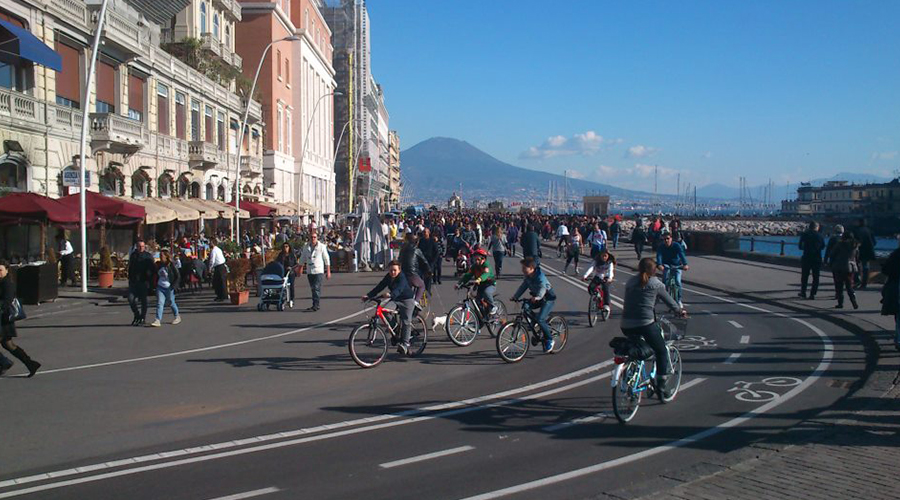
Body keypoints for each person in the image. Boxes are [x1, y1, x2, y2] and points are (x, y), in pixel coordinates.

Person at [621, 258, 686, 397]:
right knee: (661, 350)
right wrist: (680, 311)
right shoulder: (656, 284)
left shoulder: (630, 281)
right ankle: (661, 387)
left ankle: (632, 372)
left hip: (625, 324)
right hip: (644, 324)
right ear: (654, 270)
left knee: (639, 347)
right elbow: (671, 303)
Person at [362, 260, 416, 355]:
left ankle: (405, 344)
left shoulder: (402, 277)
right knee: (384, 310)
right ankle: (396, 329)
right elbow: (380, 286)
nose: (392, 272)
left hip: (406, 300)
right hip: (395, 299)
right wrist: (369, 295)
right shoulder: (388, 277)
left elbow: (400, 288)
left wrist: (391, 294)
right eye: (391, 270)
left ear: (399, 270)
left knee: (406, 321)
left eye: (395, 270)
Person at [0, 260, 40, 377]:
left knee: (8, 344)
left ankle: (4, 362)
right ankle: (30, 363)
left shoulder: (7, 284)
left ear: (7, 270)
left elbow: (6, 301)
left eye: (0, 270)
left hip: (4, 320)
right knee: (8, 345)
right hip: (3, 320)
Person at [511, 257, 557, 353]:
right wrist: (515, 296)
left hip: (547, 298)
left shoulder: (540, 277)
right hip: (537, 298)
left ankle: (549, 340)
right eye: (522, 268)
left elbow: (543, 288)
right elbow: (523, 287)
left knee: (540, 319)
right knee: (526, 307)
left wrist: (537, 297)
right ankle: (537, 324)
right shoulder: (528, 277)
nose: (522, 270)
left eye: (524, 268)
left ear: (532, 268)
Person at [298, 230, 331, 312]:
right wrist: (300, 269)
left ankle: (316, 305)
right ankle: (314, 304)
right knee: (313, 288)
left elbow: (326, 259)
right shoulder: (306, 247)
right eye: (311, 237)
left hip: (318, 270)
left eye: (314, 237)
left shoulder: (322, 246)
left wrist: (328, 271)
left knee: (316, 287)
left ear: (317, 238)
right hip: (310, 271)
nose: (313, 239)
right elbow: (302, 258)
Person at [457, 248, 497, 315]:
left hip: (489, 284)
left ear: (483, 259)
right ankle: (482, 318)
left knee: (486, 292)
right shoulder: (474, 266)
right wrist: (459, 283)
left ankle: (493, 306)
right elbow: (467, 275)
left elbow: (486, 274)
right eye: (475, 259)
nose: (476, 261)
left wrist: (479, 279)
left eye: (478, 259)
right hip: (480, 284)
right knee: (478, 302)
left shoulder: (486, 265)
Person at [827, 231, 859, 310]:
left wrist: (831, 264)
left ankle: (840, 303)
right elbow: (857, 257)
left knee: (839, 286)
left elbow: (832, 254)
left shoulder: (839, 244)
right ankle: (853, 301)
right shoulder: (855, 245)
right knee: (849, 286)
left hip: (839, 267)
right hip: (850, 267)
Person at [656, 232, 689, 307]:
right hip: (666, 264)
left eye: (668, 238)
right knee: (665, 281)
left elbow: (681, 254)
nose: (666, 240)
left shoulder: (676, 245)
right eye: (664, 239)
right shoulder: (661, 246)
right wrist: (659, 264)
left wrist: (685, 264)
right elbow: (659, 256)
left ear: (671, 239)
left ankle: (679, 300)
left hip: (676, 264)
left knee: (677, 281)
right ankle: (665, 296)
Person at [149, 250, 181, 327]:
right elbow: (155, 274)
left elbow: (177, 276)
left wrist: (173, 286)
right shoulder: (159, 265)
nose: (160, 257)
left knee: (171, 302)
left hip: (169, 287)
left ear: (166, 257)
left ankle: (177, 316)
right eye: (159, 256)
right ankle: (157, 320)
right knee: (160, 303)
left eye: (161, 256)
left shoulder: (171, 265)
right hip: (160, 286)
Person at [127, 240, 155, 326]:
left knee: (143, 301)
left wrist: (150, 281)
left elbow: (153, 269)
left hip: (144, 281)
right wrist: (130, 278)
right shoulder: (133, 255)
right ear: (136, 246)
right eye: (139, 246)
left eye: (143, 246)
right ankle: (137, 315)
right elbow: (130, 267)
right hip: (134, 281)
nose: (141, 248)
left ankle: (143, 317)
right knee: (131, 299)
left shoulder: (148, 256)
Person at [399, 233, 431, 305]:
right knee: (421, 285)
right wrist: (429, 270)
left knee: (407, 290)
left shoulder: (403, 249)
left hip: (402, 272)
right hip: (412, 272)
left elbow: (400, 260)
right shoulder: (416, 250)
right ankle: (415, 302)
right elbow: (424, 261)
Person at [583, 249, 616, 317]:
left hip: (606, 278)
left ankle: (606, 305)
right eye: (602, 256)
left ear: (608, 256)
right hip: (598, 277)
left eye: (605, 256)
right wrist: (585, 276)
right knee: (591, 287)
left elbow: (610, 271)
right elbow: (591, 268)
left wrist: (609, 278)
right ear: (600, 256)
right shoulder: (596, 261)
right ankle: (597, 296)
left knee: (605, 289)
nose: (604, 257)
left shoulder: (610, 263)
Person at [880, 240, 900, 351]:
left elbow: (886, 269)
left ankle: (898, 340)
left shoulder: (896, 254)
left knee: (899, 315)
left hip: (896, 286)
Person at [798, 221, 825, 300]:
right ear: (817, 227)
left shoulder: (804, 235)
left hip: (806, 257)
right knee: (816, 277)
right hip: (816, 258)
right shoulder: (820, 236)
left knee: (804, 276)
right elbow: (823, 246)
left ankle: (803, 292)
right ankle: (813, 293)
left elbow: (800, 246)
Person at [853, 219, 876, 290]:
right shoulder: (869, 230)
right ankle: (864, 282)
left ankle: (857, 280)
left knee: (856, 266)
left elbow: (854, 241)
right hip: (868, 251)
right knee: (866, 266)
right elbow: (874, 242)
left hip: (859, 250)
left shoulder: (856, 230)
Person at [275, 243, 298, 308]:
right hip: (283, 272)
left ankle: (291, 299)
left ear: (289, 247)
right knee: (282, 285)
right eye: (284, 247)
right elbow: (277, 262)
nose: (285, 248)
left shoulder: (292, 255)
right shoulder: (280, 255)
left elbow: (296, 264)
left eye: (287, 246)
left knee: (291, 285)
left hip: (291, 272)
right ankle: (282, 298)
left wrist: (291, 267)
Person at [418, 228, 439, 293]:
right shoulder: (421, 240)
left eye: (425, 232)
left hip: (430, 262)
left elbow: (436, 252)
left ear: (428, 233)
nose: (424, 233)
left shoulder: (432, 241)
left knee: (428, 277)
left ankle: (428, 291)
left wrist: (433, 262)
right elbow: (418, 250)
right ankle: (422, 290)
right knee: (421, 277)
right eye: (423, 232)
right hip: (422, 262)